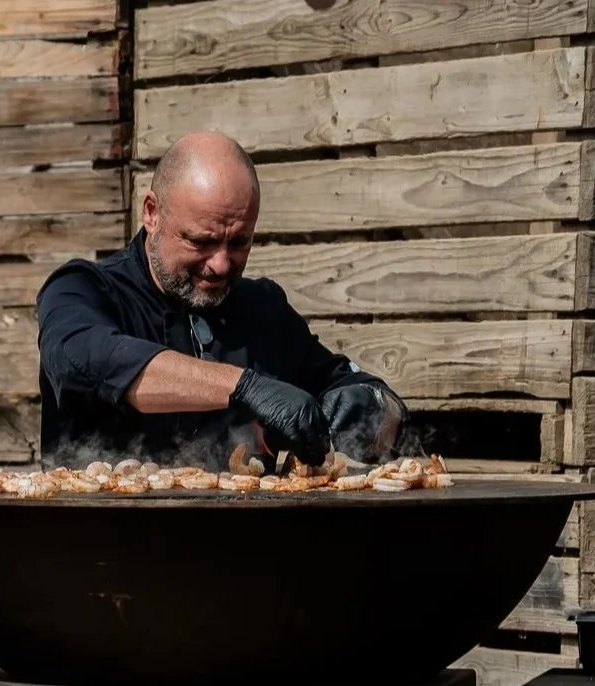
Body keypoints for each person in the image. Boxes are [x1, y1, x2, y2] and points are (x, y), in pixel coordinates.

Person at [34, 130, 406, 469]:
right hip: (100, 535)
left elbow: (384, 404)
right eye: (201, 241)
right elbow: (83, 360)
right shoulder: (82, 288)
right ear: (151, 214)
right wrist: (245, 388)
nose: (221, 264)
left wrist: (369, 409)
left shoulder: (262, 309)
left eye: (239, 241)